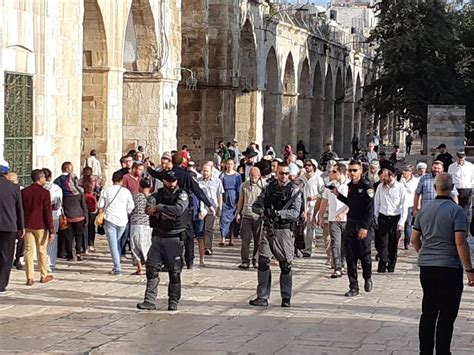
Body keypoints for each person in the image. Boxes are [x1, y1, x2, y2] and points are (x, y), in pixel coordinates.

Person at [411, 173, 474, 355]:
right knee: (447, 314)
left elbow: (415, 239)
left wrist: (424, 253)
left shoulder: (424, 210)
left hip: (428, 267)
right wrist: (469, 270)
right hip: (449, 267)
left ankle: (425, 351)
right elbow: (460, 241)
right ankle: (443, 351)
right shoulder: (456, 211)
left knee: (429, 311)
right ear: (452, 187)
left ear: (434, 187)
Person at [147, 154, 215, 269]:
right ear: (182, 162)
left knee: (167, 233)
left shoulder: (167, 174)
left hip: (168, 207)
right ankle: (189, 261)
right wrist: (209, 205)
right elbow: (198, 191)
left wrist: (148, 167)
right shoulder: (186, 176)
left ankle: (168, 260)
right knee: (188, 235)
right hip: (185, 208)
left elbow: (155, 174)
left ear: (172, 162)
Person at [249, 163, 301, 308]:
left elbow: (295, 213)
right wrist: (263, 212)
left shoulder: (294, 190)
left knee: (285, 265)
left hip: (284, 230)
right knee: (263, 261)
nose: (283, 176)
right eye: (280, 173)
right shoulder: (269, 188)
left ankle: (286, 297)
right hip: (269, 229)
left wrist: (278, 213)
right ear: (276, 173)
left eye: (285, 173)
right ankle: (262, 296)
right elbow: (255, 205)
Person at [137, 170, 189, 311]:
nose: (171, 184)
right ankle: (149, 300)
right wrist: (163, 212)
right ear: (164, 181)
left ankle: (173, 301)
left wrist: (160, 208)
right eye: (169, 181)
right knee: (152, 268)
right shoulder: (156, 195)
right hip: (158, 237)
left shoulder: (182, 195)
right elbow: (148, 209)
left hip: (175, 238)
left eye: (173, 181)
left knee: (174, 271)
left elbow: (179, 209)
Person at [332, 160, 374, 297]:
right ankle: (353, 286)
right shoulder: (350, 186)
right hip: (351, 224)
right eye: (350, 170)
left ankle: (367, 277)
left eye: (354, 170)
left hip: (363, 225)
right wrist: (338, 195)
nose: (352, 173)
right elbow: (351, 204)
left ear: (361, 171)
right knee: (351, 257)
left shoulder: (367, 187)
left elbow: (370, 210)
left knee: (365, 256)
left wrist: (365, 227)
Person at [21, 169, 55, 286]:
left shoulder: (24, 192)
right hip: (41, 225)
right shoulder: (45, 193)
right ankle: (43, 275)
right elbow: (47, 212)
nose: (45, 179)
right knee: (41, 250)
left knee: (29, 251)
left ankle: (29, 277)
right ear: (40, 178)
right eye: (44, 177)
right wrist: (51, 229)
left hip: (27, 224)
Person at [97, 171, 135, 275]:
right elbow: (131, 206)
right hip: (122, 220)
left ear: (112, 180)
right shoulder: (126, 192)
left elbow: (100, 204)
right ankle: (117, 264)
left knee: (113, 244)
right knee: (117, 242)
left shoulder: (106, 190)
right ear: (122, 181)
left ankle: (117, 268)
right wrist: (126, 212)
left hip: (110, 219)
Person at [318, 162, 349, 278]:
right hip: (333, 219)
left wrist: (344, 213)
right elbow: (324, 202)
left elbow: (353, 203)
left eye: (334, 171)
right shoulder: (329, 186)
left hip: (346, 219)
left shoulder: (349, 185)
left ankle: (343, 263)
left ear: (341, 173)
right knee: (335, 243)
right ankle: (337, 267)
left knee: (345, 243)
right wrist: (320, 216)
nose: (331, 173)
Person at [374, 167, 407, 273]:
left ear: (393, 176)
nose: (384, 179)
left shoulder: (400, 187)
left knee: (393, 243)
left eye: (386, 176)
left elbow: (404, 205)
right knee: (382, 243)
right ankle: (382, 264)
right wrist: (375, 217)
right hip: (383, 216)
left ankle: (391, 265)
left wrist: (402, 222)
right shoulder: (380, 186)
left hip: (395, 217)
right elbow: (377, 202)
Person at [54, 162, 88, 261]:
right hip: (79, 216)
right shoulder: (80, 192)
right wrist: (86, 216)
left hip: (68, 216)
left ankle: (69, 254)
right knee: (78, 235)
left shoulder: (61, 189)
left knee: (68, 236)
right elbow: (83, 205)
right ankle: (78, 253)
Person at [0, 160, 24, 293]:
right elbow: (19, 209)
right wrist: (21, 227)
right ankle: (2, 283)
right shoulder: (14, 188)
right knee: (6, 255)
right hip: (9, 226)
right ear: (7, 172)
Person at [236, 166, 264, 269]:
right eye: (252, 175)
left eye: (255, 176)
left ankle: (256, 260)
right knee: (245, 239)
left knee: (258, 239)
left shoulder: (263, 186)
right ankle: (245, 261)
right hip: (246, 214)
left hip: (258, 216)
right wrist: (238, 213)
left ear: (259, 176)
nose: (253, 178)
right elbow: (241, 200)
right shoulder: (244, 185)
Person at [197, 163, 224, 263]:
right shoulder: (198, 181)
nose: (205, 173)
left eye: (207, 171)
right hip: (201, 208)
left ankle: (207, 247)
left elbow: (219, 195)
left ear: (211, 171)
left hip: (212, 208)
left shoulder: (217, 181)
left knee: (208, 228)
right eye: (204, 170)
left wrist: (220, 207)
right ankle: (202, 246)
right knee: (201, 229)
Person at [300, 159, 323, 257]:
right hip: (303, 205)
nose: (307, 167)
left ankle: (308, 249)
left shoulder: (318, 179)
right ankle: (306, 245)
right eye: (305, 165)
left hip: (313, 206)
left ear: (313, 166)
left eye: (309, 165)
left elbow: (322, 193)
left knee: (310, 227)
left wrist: (313, 197)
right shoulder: (301, 178)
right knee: (304, 227)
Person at [129, 178, 153, 275]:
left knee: (135, 247)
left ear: (140, 186)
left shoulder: (135, 197)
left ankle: (139, 268)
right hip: (148, 224)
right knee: (147, 246)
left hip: (135, 223)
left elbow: (130, 209)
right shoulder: (152, 198)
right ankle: (149, 267)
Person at [43, 168, 63, 272]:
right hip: (53, 215)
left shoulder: (36, 188)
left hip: (39, 217)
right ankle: (50, 263)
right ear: (50, 177)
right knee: (52, 239)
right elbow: (59, 203)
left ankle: (42, 261)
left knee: (41, 240)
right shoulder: (56, 188)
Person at [219, 159, 242, 246]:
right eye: (228, 164)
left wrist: (238, 200)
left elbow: (239, 188)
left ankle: (231, 238)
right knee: (223, 218)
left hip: (234, 197)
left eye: (231, 164)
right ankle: (223, 237)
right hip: (225, 198)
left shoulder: (237, 176)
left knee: (233, 219)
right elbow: (220, 187)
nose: (229, 166)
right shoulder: (222, 175)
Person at [448, 151, 473, 223]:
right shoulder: (451, 166)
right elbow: (450, 178)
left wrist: (471, 187)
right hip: (455, 191)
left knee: (465, 211)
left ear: (464, 158)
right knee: (455, 210)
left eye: (462, 160)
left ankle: (465, 230)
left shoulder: (470, 166)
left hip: (466, 189)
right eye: (459, 160)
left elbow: (472, 177)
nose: (460, 161)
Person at [400, 165, 419, 250]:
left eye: (406, 170)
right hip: (399, 205)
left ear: (410, 172)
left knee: (408, 224)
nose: (404, 172)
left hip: (410, 204)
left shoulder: (416, 181)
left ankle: (407, 242)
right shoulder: (399, 180)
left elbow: (418, 193)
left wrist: (417, 204)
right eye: (403, 170)